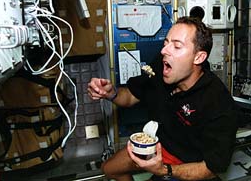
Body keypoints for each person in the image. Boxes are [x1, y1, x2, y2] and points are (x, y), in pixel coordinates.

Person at [87, 17, 238, 181]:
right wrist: (111, 93)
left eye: (177, 46)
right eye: (166, 43)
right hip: (160, 144)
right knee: (109, 169)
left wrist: (164, 170)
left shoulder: (219, 102)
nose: (164, 51)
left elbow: (212, 168)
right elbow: (130, 96)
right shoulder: (162, 65)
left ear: (199, 57)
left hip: (190, 162)